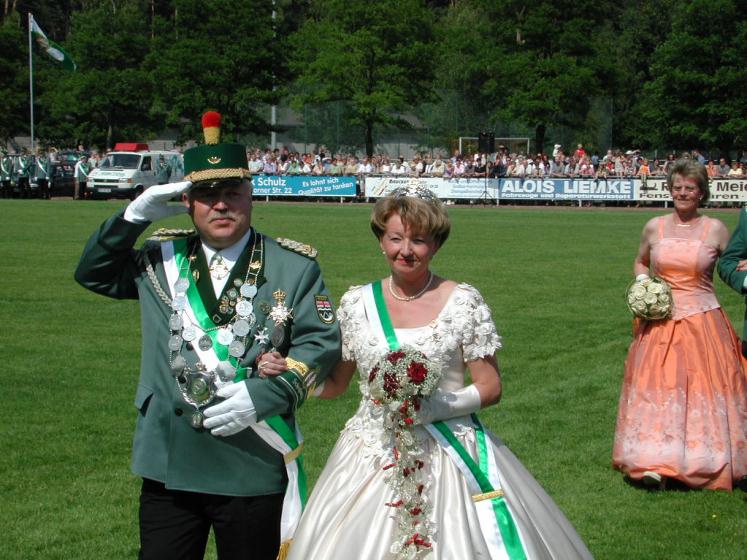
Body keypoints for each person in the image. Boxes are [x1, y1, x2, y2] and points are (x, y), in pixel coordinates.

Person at [261, 186, 593, 559]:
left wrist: (432, 408)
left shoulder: (463, 301)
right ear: (381, 241)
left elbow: (490, 386)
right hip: (371, 449)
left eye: (418, 240)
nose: (406, 250)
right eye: (396, 238)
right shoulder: (357, 304)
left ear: (435, 245)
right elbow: (337, 383)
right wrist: (291, 375)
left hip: (449, 450)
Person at [74, 111, 341, 560]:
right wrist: (134, 215)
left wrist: (267, 394)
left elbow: (321, 343)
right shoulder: (159, 259)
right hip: (171, 458)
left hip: (251, 455)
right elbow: (93, 274)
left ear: (251, 196)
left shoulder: (292, 267)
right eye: (207, 195)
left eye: (232, 193)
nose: (220, 205)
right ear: (187, 201)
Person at [613, 159, 747, 490]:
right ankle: (654, 460)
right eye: (677, 187)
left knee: (703, 390)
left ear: (701, 193)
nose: (683, 193)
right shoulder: (654, 226)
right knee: (658, 389)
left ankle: (705, 458)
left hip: (704, 322)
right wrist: (644, 284)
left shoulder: (715, 229)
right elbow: (641, 261)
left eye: (690, 188)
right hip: (660, 325)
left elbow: (730, 263)